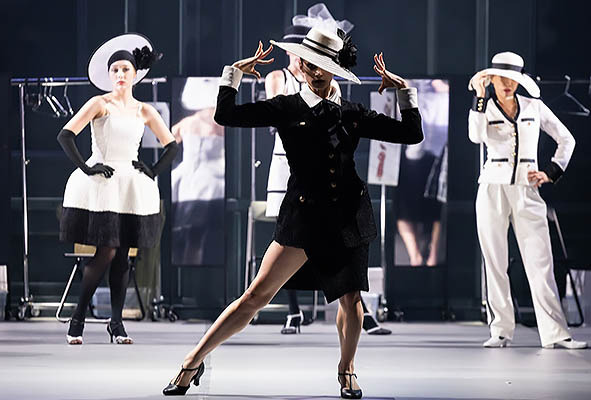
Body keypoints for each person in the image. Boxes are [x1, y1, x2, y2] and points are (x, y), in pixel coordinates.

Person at [162, 27, 422, 398]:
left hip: (349, 218)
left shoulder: (352, 113)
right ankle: (193, 360)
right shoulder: (286, 107)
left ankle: (347, 370)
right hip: (304, 217)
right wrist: (233, 74)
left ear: (335, 69)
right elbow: (225, 115)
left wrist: (403, 91)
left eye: (323, 65)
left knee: (352, 300)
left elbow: (411, 134)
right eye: (309, 64)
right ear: (299, 65)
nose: (315, 72)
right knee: (255, 297)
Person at [265, 23, 390, 336]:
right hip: (287, 158)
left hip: (320, 163)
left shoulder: (328, 82)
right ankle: (293, 311)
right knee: (290, 235)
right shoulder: (279, 78)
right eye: (301, 55)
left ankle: (353, 305)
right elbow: (278, 113)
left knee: (331, 236)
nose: (303, 61)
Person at [58, 33, 177, 345]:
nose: (120, 74)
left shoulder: (144, 110)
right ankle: (78, 319)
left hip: (130, 185)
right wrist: (87, 167)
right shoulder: (100, 103)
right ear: (109, 75)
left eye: (125, 69)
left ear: (135, 74)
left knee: (123, 256)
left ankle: (116, 323)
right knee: (106, 251)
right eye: (115, 70)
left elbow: (172, 145)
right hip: (104, 184)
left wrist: (152, 170)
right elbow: (66, 135)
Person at [468, 51, 587, 349]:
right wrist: (479, 97)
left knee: (540, 261)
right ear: (492, 79)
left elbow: (567, 139)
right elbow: (475, 135)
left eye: (513, 79)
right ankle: (500, 330)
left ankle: (556, 334)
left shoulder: (534, 106)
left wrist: (551, 171)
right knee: (494, 261)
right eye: (502, 78)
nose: (508, 84)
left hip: (527, 188)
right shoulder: (484, 107)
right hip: (492, 188)